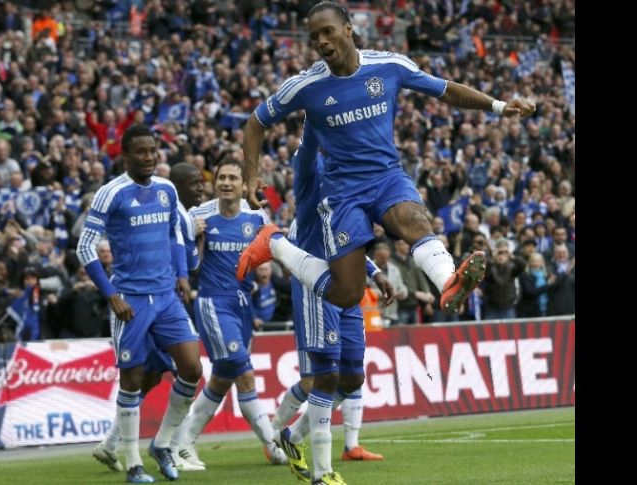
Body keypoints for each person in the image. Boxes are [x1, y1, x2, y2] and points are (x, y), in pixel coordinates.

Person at [237, 1, 535, 318]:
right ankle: (275, 244)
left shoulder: (390, 66)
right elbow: (256, 122)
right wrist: (251, 174)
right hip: (342, 193)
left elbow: (446, 90)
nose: (321, 41)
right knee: (347, 294)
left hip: (386, 178)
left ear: (348, 30)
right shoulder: (305, 86)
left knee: (416, 219)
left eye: (328, 31)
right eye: (314, 37)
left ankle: (447, 281)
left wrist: (499, 106)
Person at [77, 124, 203, 483]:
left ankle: (161, 444)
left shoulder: (165, 190)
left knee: (192, 369)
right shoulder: (110, 193)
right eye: (141, 152)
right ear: (125, 156)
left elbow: (175, 233)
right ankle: (133, 463)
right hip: (130, 300)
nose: (149, 157)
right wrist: (111, 295)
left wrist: (181, 273)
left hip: (166, 296)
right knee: (132, 379)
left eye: (153, 151)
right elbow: (85, 247)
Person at [271, 122, 392, 485]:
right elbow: (307, 151)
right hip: (316, 282)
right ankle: (322, 474)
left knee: (353, 375)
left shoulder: (350, 177)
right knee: (324, 375)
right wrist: (318, 109)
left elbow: (347, 239)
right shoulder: (311, 169)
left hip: (349, 283)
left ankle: (291, 435)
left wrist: (374, 272)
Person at [171, 158, 288, 469]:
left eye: (232, 178)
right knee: (244, 373)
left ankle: (181, 443)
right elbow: (187, 264)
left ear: (241, 184)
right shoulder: (198, 216)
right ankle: (274, 444)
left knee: (222, 381)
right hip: (213, 302)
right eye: (221, 177)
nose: (225, 182)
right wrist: (194, 237)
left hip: (242, 306)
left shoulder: (256, 219)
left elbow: (277, 249)